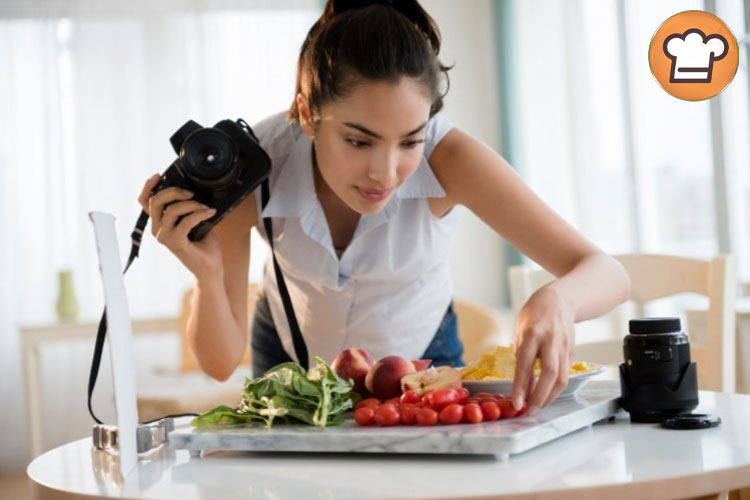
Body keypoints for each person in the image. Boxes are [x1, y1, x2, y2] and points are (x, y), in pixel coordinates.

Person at [138, 0, 630, 415]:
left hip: (423, 358)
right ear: (308, 113)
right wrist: (206, 274)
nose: (386, 172)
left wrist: (556, 300)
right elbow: (219, 363)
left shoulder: (450, 157)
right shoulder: (256, 162)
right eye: (358, 141)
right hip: (292, 359)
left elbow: (607, 272)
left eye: (410, 140)